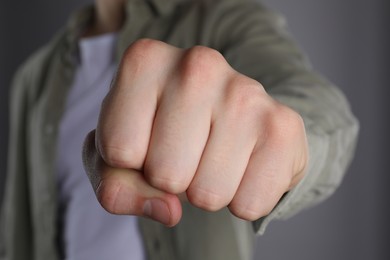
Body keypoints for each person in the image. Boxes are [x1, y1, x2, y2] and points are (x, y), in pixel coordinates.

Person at [0, 0, 359, 259]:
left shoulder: (224, 18)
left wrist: (288, 142)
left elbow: (319, 105)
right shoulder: (33, 78)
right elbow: (17, 227)